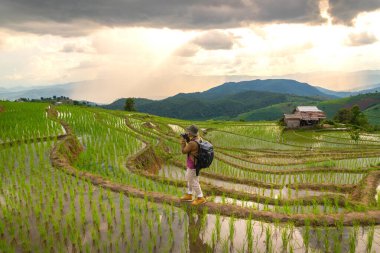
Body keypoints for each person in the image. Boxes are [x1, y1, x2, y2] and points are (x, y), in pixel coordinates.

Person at [180, 124, 206, 205]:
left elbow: (184, 151)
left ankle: (200, 197)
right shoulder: (199, 139)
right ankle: (189, 194)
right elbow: (193, 148)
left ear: (191, 133)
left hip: (193, 164)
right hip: (197, 163)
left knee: (191, 179)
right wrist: (188, 140)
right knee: (192, 179)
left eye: (188, 132)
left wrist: (183, 143)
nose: (187, 133)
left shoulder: (192, 143)